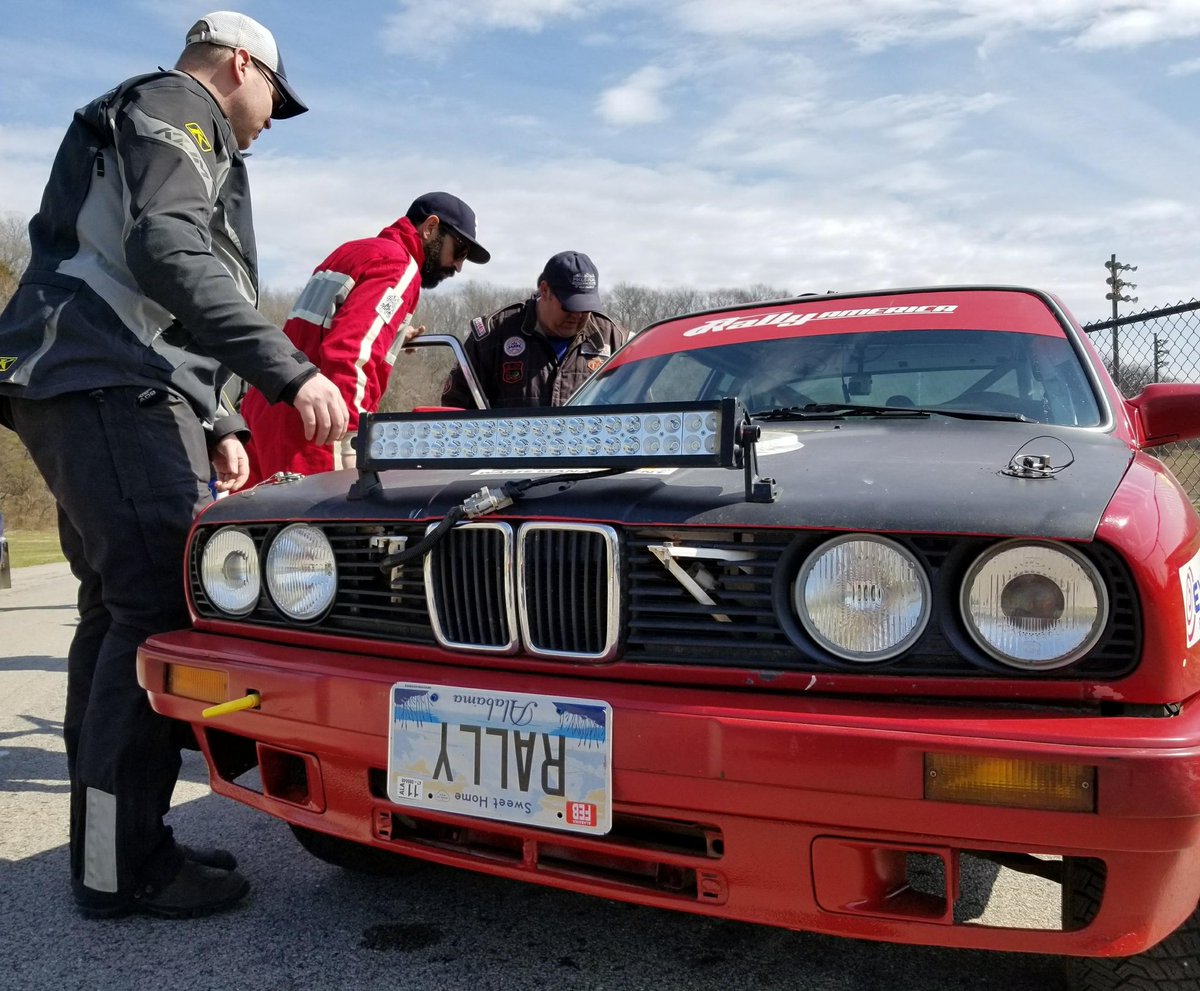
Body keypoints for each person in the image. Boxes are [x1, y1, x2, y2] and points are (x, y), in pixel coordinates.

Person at [0, 12, 349, 919]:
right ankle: (127, 865)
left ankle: (112, 847)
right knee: (156, 605)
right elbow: (167, 249)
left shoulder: (158, 120)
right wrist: (290, 370)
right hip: (103, 381)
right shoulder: (178, 106)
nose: (273, 117)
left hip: (81, 379)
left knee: (114, 610)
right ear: (241, 65)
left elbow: (159, 279)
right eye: (277, 95)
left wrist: (220, 413)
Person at [241, 191, 489, 482]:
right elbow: (351, 351)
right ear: (430, 227)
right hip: (318, 424)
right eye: (459, 251)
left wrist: (394, 333)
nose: (458, 267)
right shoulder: (399, 266)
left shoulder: (355, 251)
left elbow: (334, 324)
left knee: (253, 523)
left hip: (266, 406)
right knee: (326, 523)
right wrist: (355, 435)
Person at [441, 251, 626, 409]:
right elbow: (456, 407)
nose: (577, 316)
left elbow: (638, 407)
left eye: (585, 308)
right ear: (544, 291)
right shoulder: (494, 334)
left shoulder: (614, 339)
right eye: (570, 306)